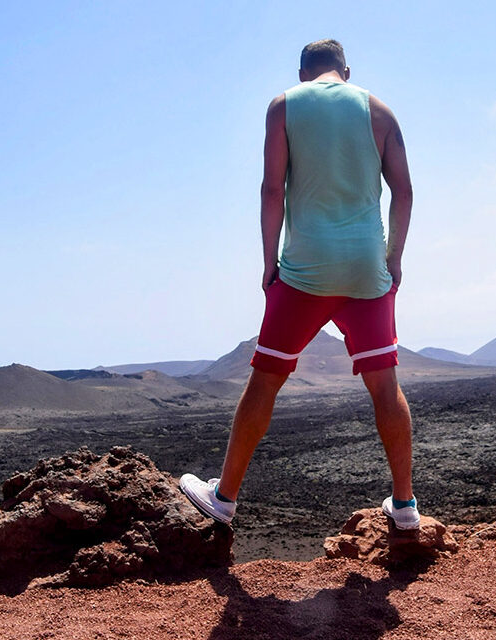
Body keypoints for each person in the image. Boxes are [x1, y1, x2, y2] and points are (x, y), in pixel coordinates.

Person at [180, 39, 418, 531]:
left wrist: (269, 262)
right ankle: (405, 506)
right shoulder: (380, 112)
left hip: (305, 269)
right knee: (385, 385)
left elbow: (272, 189)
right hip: (366, 269)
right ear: (346, 71)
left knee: (266, 379)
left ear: (303, 73)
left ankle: (224, 498)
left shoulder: (284, 105)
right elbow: (405, 191)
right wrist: (393, 259)